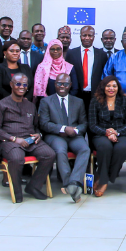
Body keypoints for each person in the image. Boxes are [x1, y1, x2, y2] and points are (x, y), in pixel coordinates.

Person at [0, 73, 55, 202]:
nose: (22, 87)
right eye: (18, 84)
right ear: (11, 85)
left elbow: (36, 126)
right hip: (10, 141)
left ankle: (33, 187)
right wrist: (14, 139)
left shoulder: (30, 105)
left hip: (30, 140)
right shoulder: (1, 105)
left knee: (50, 154)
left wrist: (38, 135)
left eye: (25, 85)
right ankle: (17, 191)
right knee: (16, 157)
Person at [38, 73, 89, 202]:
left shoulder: (78, 102)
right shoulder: (46, 101)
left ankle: (74, 182)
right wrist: (63, 128)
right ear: (55, 84)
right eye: (59, 83)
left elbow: (84, 123)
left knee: (85, 149)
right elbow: (44, 123)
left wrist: (75, 130)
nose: (62, 86)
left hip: (74, 135)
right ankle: (68, 184)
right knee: (60, 151)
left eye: (65, 84)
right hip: (55, 136)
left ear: (70, 85)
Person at [87, 76, 126, 197]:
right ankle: (104, 180)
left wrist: (116, 133)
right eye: (108, 86)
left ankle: (103, 177)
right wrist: (107, 133)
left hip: (122, 133)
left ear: (118, 87)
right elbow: (92, 124)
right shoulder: (95, 101)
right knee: (105, 147)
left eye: (114, 86)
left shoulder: (125, 100)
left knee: (122, 148)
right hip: (101, 134)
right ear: (103, 87)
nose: (111, 88)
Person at [65, 25, 107, 104]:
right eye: (84, 35)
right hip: (76, 95)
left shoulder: (102, 55)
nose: (87, 38)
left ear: (94, 37)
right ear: (80, 36)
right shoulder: (71, 54)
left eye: (90, 35)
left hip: (96, 95)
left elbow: (104, 76)